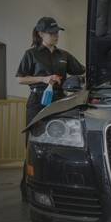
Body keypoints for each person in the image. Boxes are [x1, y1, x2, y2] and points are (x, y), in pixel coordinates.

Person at [16, 17, 85, 199]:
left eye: (57, 32)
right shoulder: (31, 54)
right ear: (40, 34)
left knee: (59, 144)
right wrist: (44, 79)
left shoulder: (64, 56)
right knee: (33, 145)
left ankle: (58, 190)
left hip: (59, 101)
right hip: (37, 100)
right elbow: (20, 78)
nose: (56, 36)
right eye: (51, 33)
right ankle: (28, 190)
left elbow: (82, 70)